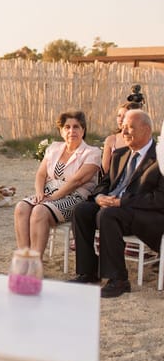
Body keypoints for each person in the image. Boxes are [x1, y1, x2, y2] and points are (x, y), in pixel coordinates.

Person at [69, 110, 164, 298]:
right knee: (81, 210)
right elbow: (104, 183)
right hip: (114, 205)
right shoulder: (120, 154)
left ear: (146, 130)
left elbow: (159, 199)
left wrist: (122, 202)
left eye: (130, 128)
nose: (124, 132)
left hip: (144, 213)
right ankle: (88, 272)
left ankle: (118, 280)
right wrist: (98, 198)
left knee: (108, 215)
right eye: (123, 128)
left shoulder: (160, 159)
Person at [13, 111, 101, 256]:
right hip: (49, 191)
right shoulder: (54, 148)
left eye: (76, 127)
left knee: (39, 210)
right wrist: (40, 193)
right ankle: (24, 257)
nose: (71, 131)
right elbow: (41, 174)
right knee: (21, 207)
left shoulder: (92, 153)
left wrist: (55, 197)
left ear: (83, 130)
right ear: (61, 131)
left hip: (75, 197)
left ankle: (36, 261)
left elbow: (77, 181)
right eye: (67, 127)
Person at [101, 101, 143, 173]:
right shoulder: (111, 140)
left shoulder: (143, 140)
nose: (120, 119)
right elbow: (105, 170)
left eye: (125, 116)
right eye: (119, 116)